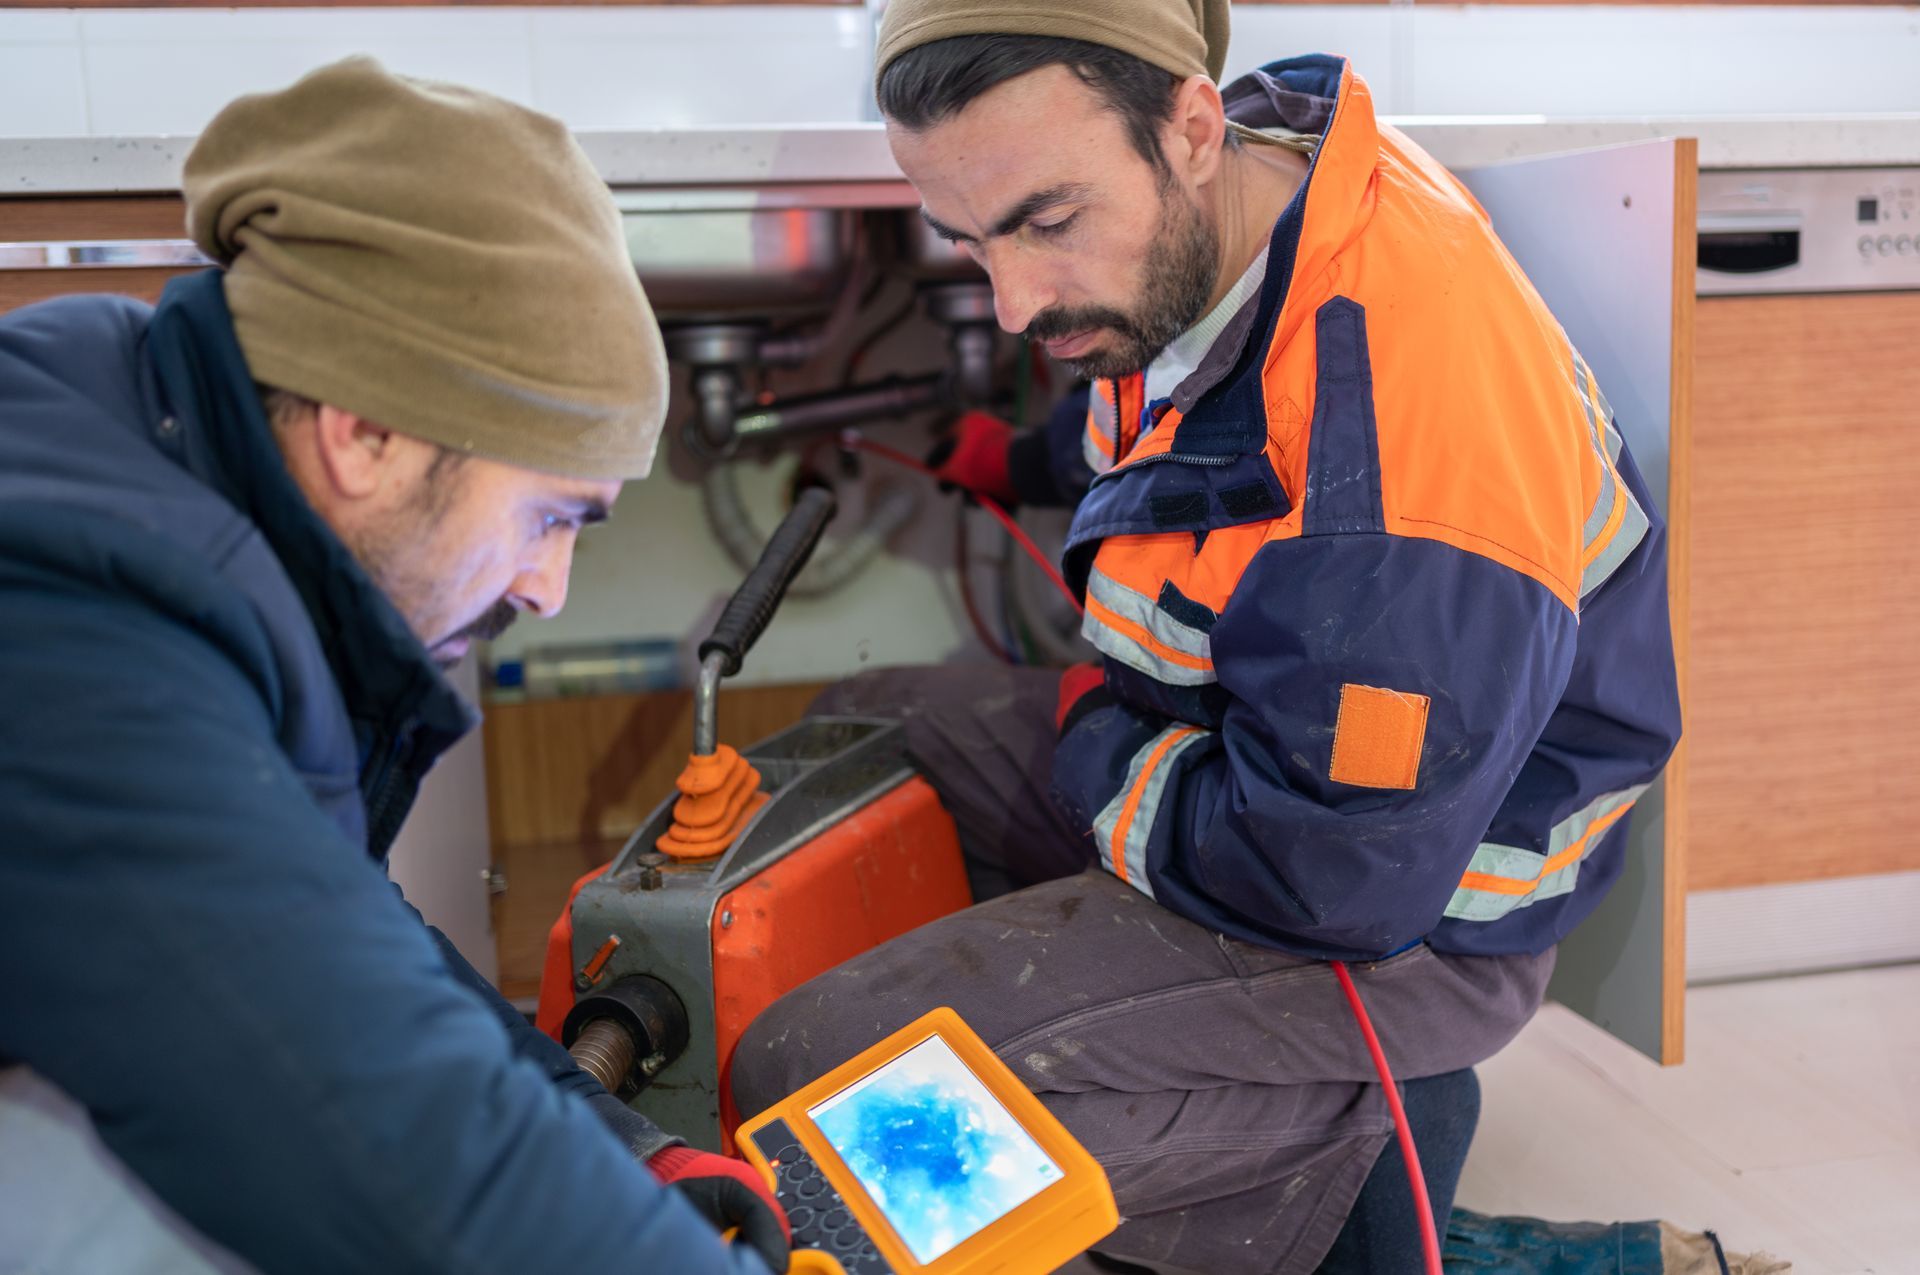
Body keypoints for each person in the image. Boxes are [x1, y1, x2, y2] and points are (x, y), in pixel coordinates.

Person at [729, 3, 1683, 1273]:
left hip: (1397, 917)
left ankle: (1365, 1165)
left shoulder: (1401, 445)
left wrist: (1092, 743)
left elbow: (1330, 874)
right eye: (967, 243)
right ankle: (1176, 1117)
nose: (1012, 303)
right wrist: (1013, 458)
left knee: (831, 1098)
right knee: (863, 738)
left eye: (1046, 225)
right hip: (1240, 767)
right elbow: (1183, 415)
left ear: (1186, 124)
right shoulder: (1252, 211)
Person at [0, 58, 787, 1275]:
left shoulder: (153, 433)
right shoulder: (70, 612)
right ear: (363, 431)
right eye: (549, 516)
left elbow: (314, 919)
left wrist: (613, 1145)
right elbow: (369, 1121)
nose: (545, 588)